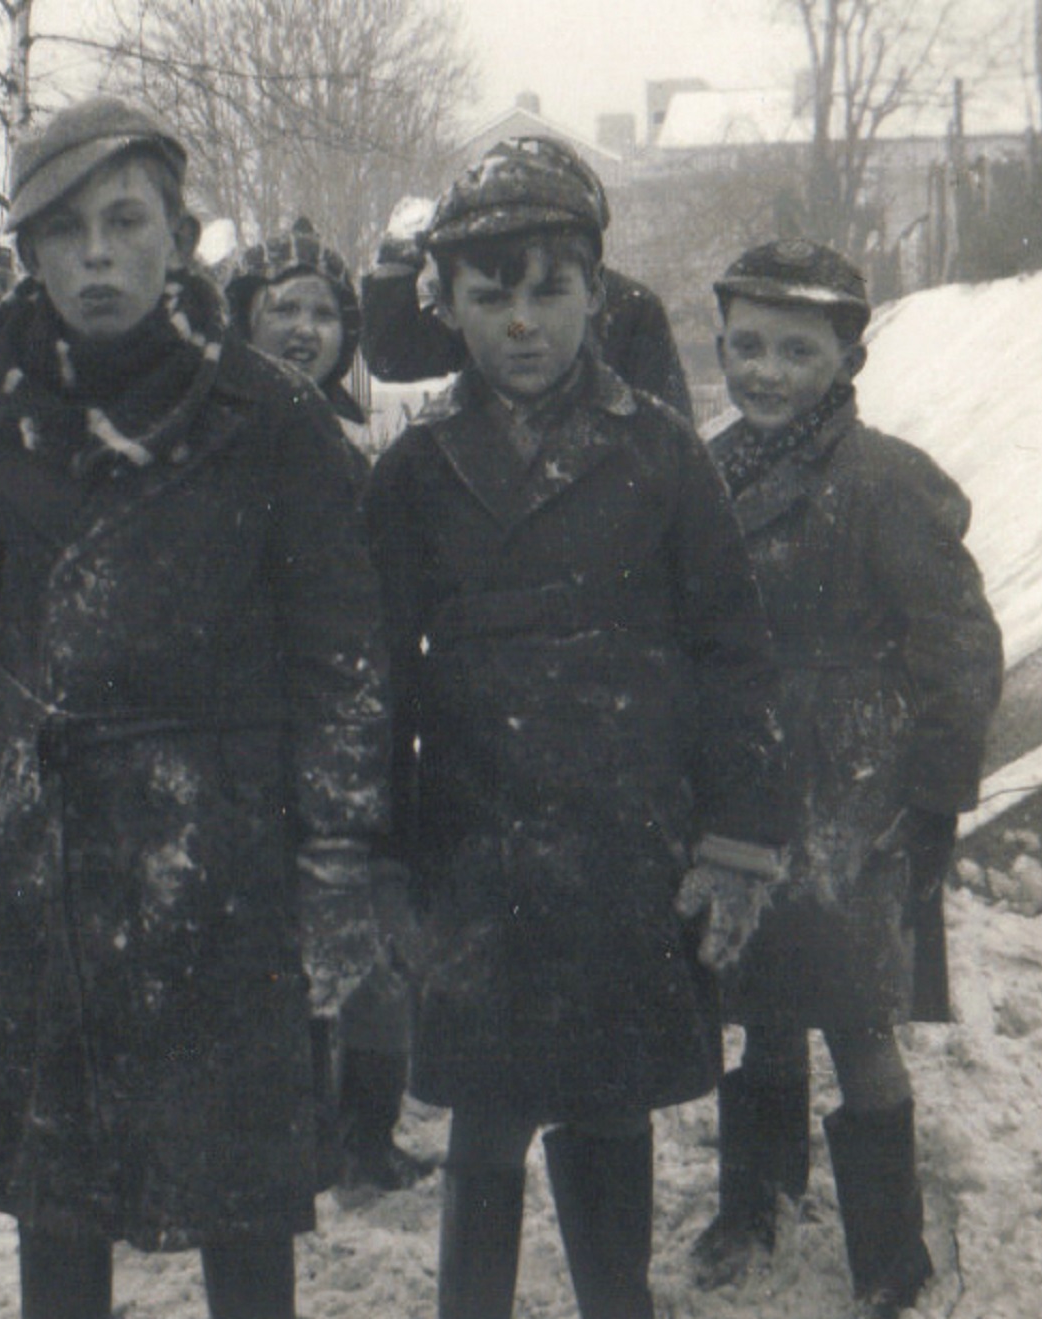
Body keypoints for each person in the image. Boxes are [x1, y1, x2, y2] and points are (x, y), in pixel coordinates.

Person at [0, 96, 390, 1319]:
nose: (98, 255)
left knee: (238, 1198)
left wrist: (335, 859)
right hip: (42, 860)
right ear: (28, 254)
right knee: (53, 1192)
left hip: (218, 857)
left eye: (126, 222)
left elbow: (343, 657)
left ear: (179, 234)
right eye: (62, 232)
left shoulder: (269, 418)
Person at [363, 140, 788, 1319]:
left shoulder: (659, 453)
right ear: (443, 303)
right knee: (486, 1120)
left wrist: (734, 837)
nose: (523, 323)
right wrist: (380, 862)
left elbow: (733, 653)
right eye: (490, 294)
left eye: (550, 289)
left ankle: (618, 1303)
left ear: (596, 294)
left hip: (622, 846)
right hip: (473, 852)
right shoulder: (411, 474)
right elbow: (377, 685)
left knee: (607, 1105)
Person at [687, 239, 1003, 1319]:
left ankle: (889, 1251)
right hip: (745, 778)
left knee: (857, 1017)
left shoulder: (884, 479)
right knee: (749, 999)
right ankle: (755, 1202)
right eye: (744, 347)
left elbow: (957, 643)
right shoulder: (708, 466)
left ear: (845, 355)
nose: (763, 371)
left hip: (852, 787)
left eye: (793, 349)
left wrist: (931, 795)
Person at [222, 218, 432, 1192]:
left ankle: (366, 1130)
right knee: (276, 933)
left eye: (323, 312)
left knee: (376, 916)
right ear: (240, 324)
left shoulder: (371, 444)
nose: (304, 329)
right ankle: (293, 1126)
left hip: (367, 713)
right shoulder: (212, 443)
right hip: (257, 721)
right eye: (281, 310)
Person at [360, 136, 693, 419]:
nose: (521, 324)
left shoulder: (631, 308)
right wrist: (398, 258)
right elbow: (393, 356)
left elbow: (667, 424)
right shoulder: (484, 295)